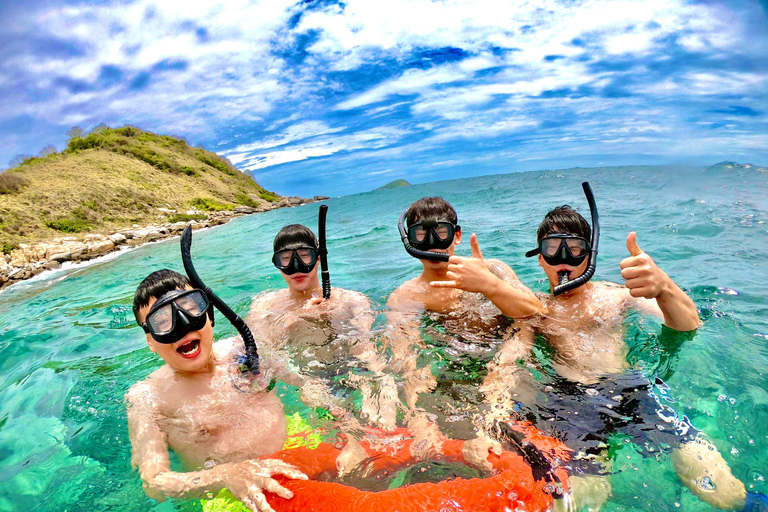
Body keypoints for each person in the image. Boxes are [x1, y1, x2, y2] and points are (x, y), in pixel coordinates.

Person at [469, 204, 760, 511]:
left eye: (575, 249)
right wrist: (488, 422)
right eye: (553, 250)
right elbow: (507, 362)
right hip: (569, 404)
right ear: (541, 259)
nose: (563, 260)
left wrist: (664, 287)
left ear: (589, 256)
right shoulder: (536, 310)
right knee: (581, 498)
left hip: (629, 390)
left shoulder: (617, 296)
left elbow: (689, 326)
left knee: (719, 486)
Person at [126, 269, 307, 512]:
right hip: (237, 496)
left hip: (303, 448)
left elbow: (308, 385)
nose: (181, 325)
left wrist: (350, 436)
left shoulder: (244, 351)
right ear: (150, 340)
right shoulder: (147, 398)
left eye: (189, 308)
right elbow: (155, 483)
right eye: (162, 322)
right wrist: (227, 476)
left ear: (209, 315)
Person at [384, 196, 546, 468]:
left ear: (456, 235)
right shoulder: (407, 296)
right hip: (452, 370)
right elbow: (406, 357)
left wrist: (488, 285)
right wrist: (417, 415)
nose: (433, 244)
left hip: (505, 362)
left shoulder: (492, 269)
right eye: (421, 235)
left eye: (441, 233)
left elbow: (536, 312)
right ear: (410, 243)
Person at [246, 223, 397, 471]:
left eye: (304, 256)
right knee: (314, 393)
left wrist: (380, 381)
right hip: (305, 380)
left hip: (352, 369)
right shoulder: (264, 308)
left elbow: (366, 346)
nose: (296, 267)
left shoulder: (351, 301)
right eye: (285, 259)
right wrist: (290, 322)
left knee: (383, 405)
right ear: (276, 265)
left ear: (318, 258)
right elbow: (261, 353)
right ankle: (351, 440)